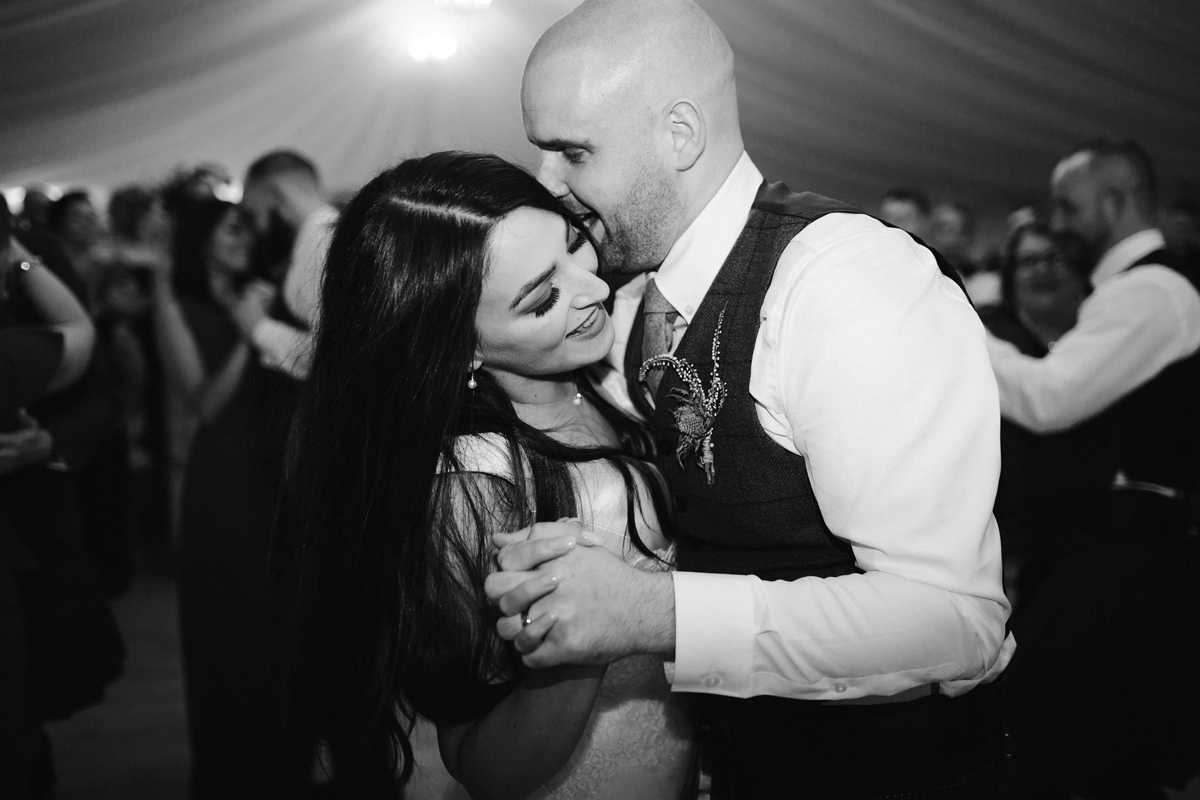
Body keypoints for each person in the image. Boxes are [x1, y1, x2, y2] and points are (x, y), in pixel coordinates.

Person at [487, 1, 1014, 797]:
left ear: (679, 134)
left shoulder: (842, 283)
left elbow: (953, 621)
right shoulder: (630, 299)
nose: (546, 183)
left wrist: (654, 614)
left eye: (571, 152)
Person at [276, 151, 695, 800]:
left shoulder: (595, 373)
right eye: (543, 297)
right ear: (462, 346)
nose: (593, 288)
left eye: (573, 245)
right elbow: (479, 762)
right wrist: (583, 645)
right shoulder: (472, 486)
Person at [985, 137, 1200, 798]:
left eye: (1069, 205)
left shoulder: (1152, 293)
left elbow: (1049, 400)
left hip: (1128, 560)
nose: (1059, 220)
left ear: (1117, 200)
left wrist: (957, 327)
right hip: (1107, 553)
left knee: (1065, 746)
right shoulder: (1131, 291)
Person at [150, 198, 309, 799]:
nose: (244, 239)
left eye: (246, 228)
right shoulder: (175, 310)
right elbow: (204, 403)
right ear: (200, 240)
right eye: (230, 229)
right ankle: (236, 776)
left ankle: (284, 768)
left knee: (280, 629)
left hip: (275, 472)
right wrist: (250, 336)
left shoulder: (260, 294)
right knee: (235, 631)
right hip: (224, 483)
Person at [976, 222, 1099, 617]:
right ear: (1010, 275)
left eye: (1055, 258)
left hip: (1088, 540)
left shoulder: (1103, 337)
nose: (1043, 271)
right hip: (1005, 541)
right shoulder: (991, 331)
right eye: (1028, 261)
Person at [236, 150, 337, 381]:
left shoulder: (320, 241)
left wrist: (258, 327)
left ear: (273, 194)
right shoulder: (323, 233)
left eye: (253, 212)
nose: (259, 228)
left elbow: (336, 355)